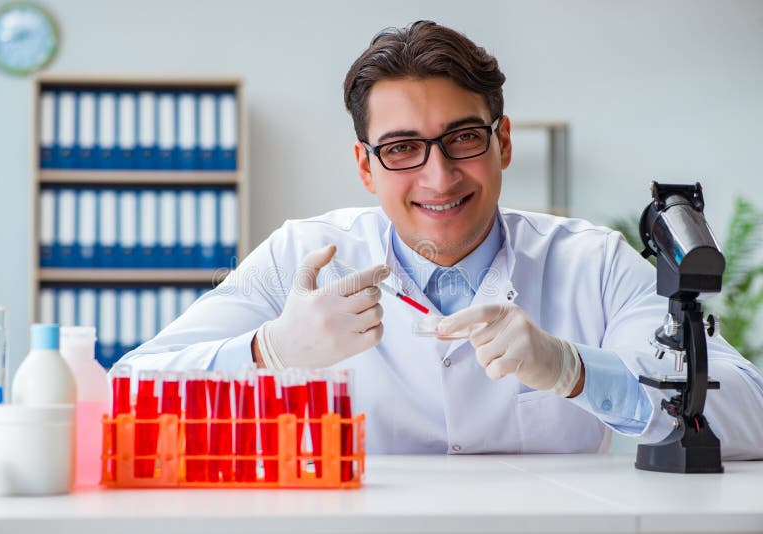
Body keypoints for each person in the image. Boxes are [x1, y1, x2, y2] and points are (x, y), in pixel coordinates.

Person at [116, 20, 763, 457]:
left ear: (502, 142)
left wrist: (575, 371)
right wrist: (267, 349)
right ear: (366, 167)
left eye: (462, 137)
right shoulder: (301, 256)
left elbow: (748, 413)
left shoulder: (589, 261)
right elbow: (126, 390)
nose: (439, 174)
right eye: (401, 148)